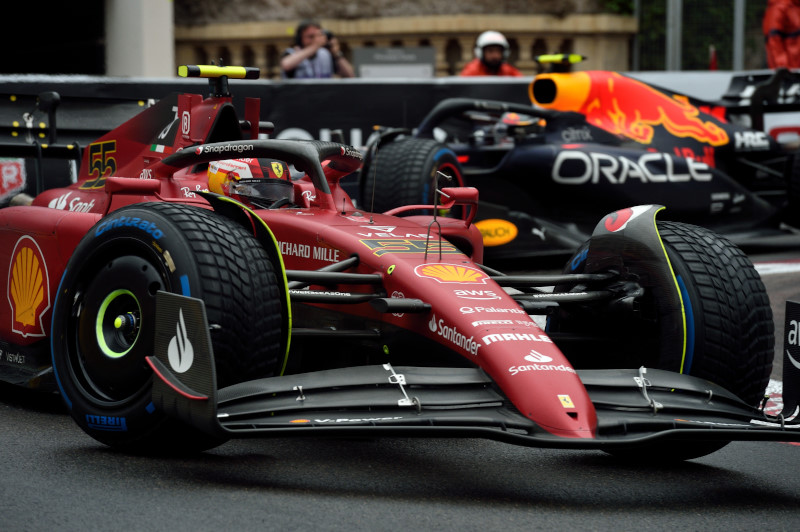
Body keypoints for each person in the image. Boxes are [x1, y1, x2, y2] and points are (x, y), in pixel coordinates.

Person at [280, 20, 355, 79]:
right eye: (311, 37)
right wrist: (315, 46)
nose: (315, 39)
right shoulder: (291, 53)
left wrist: (336, 53)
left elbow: (350, 75)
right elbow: (286, 65)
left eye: (318, 36)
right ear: (300, 39)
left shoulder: (325, 54)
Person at [763, 0, 800, 69]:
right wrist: (782, 67)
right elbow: (774, 40)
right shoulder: (780, 6)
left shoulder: (796, 6)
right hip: (789, 70)